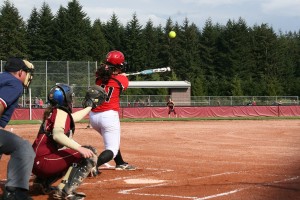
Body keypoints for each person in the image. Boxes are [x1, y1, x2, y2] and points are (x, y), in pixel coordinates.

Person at [31, 83, 102, 199]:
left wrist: (90, 107)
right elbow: (58, 135)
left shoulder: (54, 112)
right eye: (70, 96)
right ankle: (65, 192)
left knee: (68, 155)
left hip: (35, 162)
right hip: (44, 162)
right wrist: (80, 148)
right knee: (89, 152)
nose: (71, 99)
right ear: (64, 98)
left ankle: (41, 184)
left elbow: (74, 118)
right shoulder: (60, 112)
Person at [89, 50, 136, 174]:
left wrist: (119, 75)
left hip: (93, 117)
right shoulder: (122, 79)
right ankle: (92, 166)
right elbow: (122, 83)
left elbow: (109, 78)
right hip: (108, 116)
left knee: (112, 141)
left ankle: (120, 163)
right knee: (112, 149)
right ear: (119, 66)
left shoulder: (99, 78)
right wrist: (122, 76)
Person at [0, 57, 35, 200]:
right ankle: (14, 194)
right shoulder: (15, 83)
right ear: (20, 72)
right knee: (23, 148)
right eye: (26, 73)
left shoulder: (2, 78)